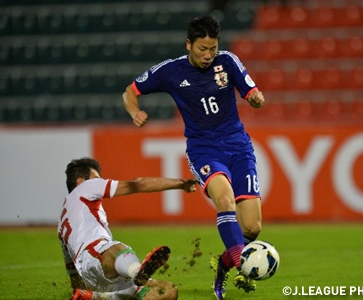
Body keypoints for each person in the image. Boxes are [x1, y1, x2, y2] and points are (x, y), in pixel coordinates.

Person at [122, 15, 265, 300]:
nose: (208, 55)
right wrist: (134, 111)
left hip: (239, 147)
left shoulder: (228, 62)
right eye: (202, 49)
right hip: (204, 149)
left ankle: (223, 264)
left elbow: (252, 91)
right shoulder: (170, 71)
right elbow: (130, 91)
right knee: (224, 200)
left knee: (253, 227)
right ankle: (240, 267)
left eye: (213, 48)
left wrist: (256, 98)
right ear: (189, 44)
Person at [57, 157, 198, 300]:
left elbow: (72, 271)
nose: (100, 181)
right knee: (117, 248)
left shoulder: (62, 223)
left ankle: (97, 297)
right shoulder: (85, 188)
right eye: (96, 178)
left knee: (168, 290)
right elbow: (138, 184)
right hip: (98, 255)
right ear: (80, 181)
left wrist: (77, 290)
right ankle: (137, 272)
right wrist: (181, 184)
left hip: (97, 274)